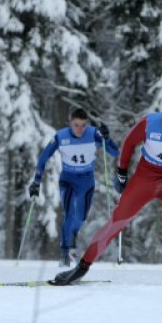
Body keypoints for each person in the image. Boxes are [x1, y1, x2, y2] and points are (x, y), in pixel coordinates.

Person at [51, 92, 162, 286]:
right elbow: (129, 142)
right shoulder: (150, 123)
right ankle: (81, 268)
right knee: (118, 219)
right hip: (146, 177)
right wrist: (121, 172)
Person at [29, 108, 120, 267]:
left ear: (87, 124)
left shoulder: (93, 134)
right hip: (68, 180)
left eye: (83, 125)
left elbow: (115, 152)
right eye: (76, 125)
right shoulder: (60, 136)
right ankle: (64, 253)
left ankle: (72, 239)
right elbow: (44, 158)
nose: (80, 129)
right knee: (69, 214)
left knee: (81, 217)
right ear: (70, 122)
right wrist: (36, 181)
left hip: (87, 180)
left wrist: (107, 137)